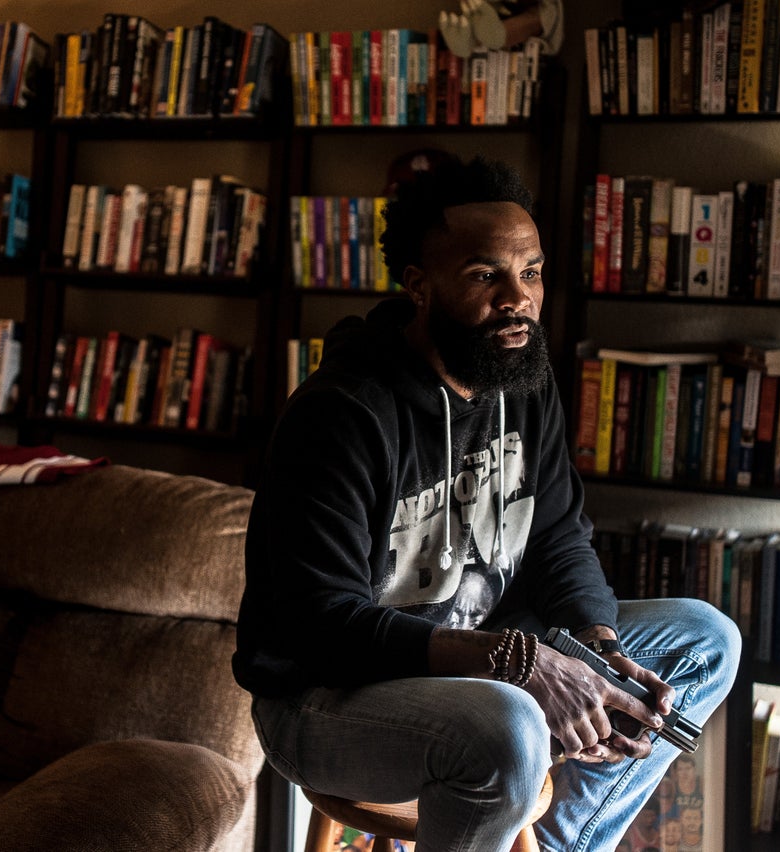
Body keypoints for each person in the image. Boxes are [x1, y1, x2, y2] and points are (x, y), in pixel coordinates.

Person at [233, 154, 741, 852]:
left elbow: (560, 535)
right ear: (419, 285)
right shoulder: (341, 415)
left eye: (529, 272)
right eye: (484, 275)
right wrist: (517, 662)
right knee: (507, 725)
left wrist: (595, 648)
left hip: (483, 654)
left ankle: (554, 845)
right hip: (325, 697)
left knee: (705, 640)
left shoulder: (524, 380)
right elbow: (322, 628)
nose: (518, 298)